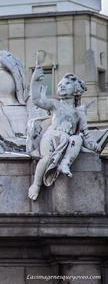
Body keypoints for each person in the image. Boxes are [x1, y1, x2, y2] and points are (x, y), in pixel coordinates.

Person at [27, 67, 99, 200]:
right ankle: (36, 184)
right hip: (51, 136)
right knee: (46, 158)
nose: (61, 86)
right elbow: (36, 100)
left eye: (66, 84)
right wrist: (35, 80)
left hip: (67, 140)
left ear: (76, 89)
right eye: (59, 84)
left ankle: (64, 163)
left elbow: (86, 134)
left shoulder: (79, 113)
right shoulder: (55, 104)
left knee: (78, 138)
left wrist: (94, 145)